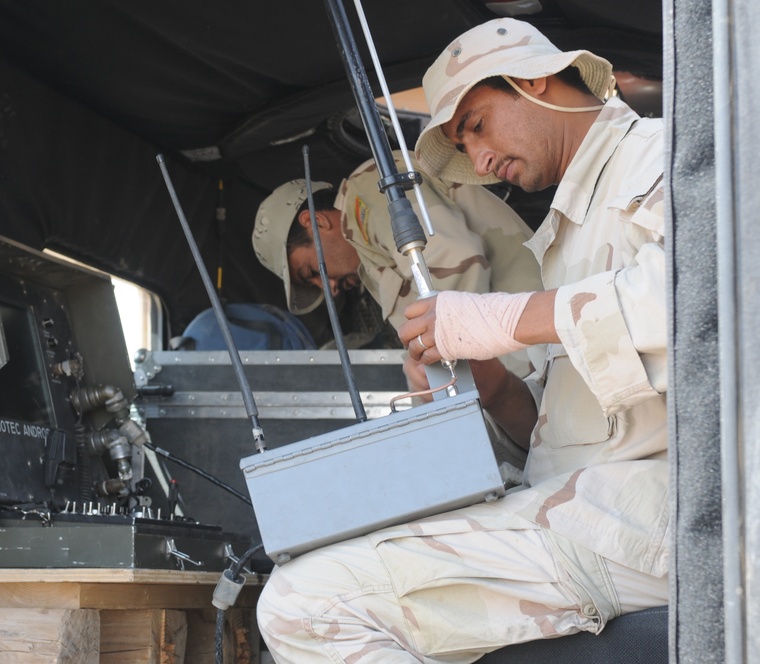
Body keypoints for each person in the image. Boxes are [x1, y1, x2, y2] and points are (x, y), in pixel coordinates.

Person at [256, 17, 667, 663]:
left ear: (534, 79)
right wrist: (496, 385)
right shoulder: (568, 228)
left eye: (475, 124)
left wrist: (495, 319)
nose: (477, 162)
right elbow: (581, 427)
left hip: (655, 518)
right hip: (584, 506)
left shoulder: (666, 156)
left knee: (307, 606)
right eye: (463, 143)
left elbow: (713, 301)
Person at [252, 151, 542, 377]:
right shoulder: (368, 252)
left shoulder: (367, 188)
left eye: (312, 272)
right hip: (527, 358)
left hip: (536, 350)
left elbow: (452, 263)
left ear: (314, 222)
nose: (330, 288)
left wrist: (446, 385)